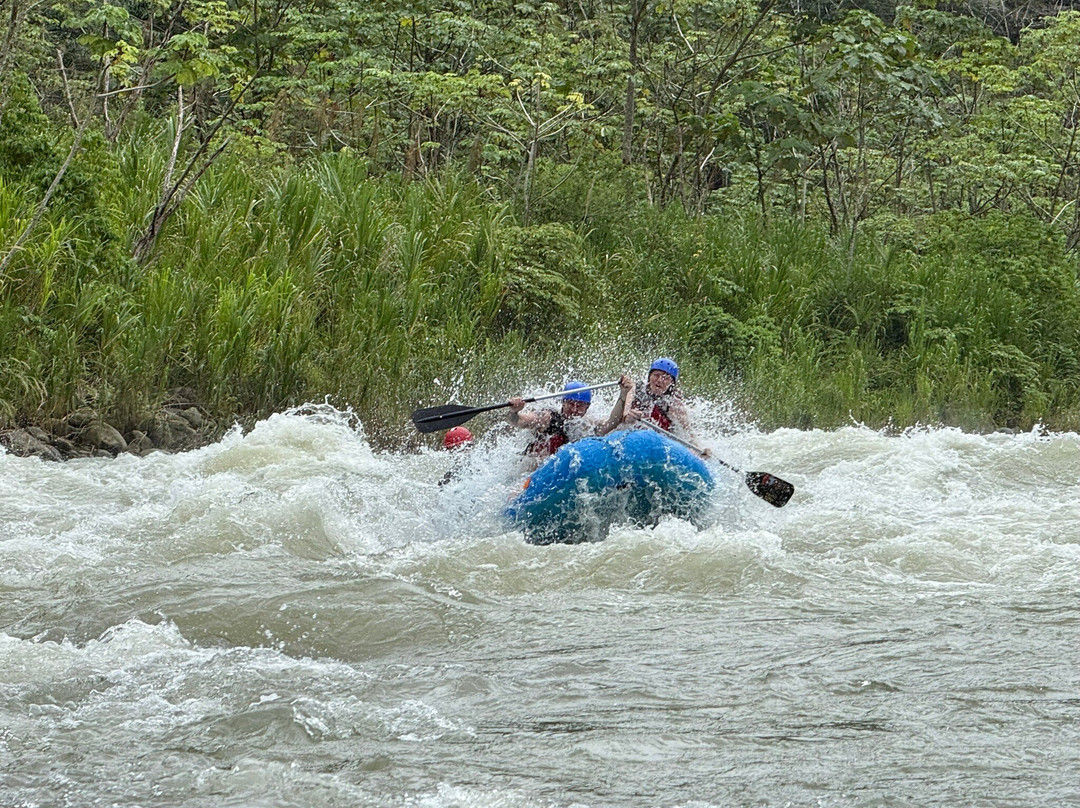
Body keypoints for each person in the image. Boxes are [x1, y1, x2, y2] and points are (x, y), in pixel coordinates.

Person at [508, 380, 625, 463]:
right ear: (563, 402)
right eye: (570, 404)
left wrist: (624, 393)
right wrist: (514, 412)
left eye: (580, 406)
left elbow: (612, 422)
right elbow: (518, 421)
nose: (574, 409)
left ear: (587, 407)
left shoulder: (586, 425)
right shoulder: (548, 418)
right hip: (531, 469)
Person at [619, 358, 710, 456]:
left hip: (661, 444)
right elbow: (625, 412)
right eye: (656, 375)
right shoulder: (636, 389)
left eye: (665, 378)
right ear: (649, 377)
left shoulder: (674, 404)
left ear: (671, 383)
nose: (659, 380)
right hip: (633, 435)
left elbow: (689, 435)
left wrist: (700, 450)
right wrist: (627, 416)